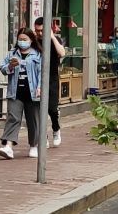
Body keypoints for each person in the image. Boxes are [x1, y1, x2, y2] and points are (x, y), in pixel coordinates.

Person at [0, 27, 42, 159]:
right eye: (20, 39)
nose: (22, 42)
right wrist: (11, 66)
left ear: (31, 40)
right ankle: (8, 146)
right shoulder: (12, 54)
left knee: (33, 120)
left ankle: (34, 145)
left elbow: (41, 73)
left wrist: (40, 87)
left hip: (32, 92)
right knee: (13, 118)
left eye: (25, 39)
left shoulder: (37, 54)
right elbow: (2, 68)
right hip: (15, 91)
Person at [34, 17, 65, 146]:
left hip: (51, 78)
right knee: (39, 110)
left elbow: (62, 53)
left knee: (52, 108)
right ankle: (43, 136)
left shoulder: (55, 40)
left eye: (42, 31)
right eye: (37, 31)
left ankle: (56, 128)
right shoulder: (33, 41)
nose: (39, 33)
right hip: (36, 78)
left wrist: (52, 37)